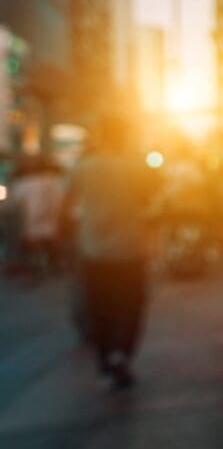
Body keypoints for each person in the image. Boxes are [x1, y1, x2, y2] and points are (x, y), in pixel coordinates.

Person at [65, 116, 153, 388]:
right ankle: (120, 353)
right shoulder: (136, 167)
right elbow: (149, 201)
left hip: (94, 250)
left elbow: (67, 203)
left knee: (99, 307)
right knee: (131, 305)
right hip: (129, 249)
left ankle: (105, 357)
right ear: (125, 136)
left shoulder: (83, 167)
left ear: (100, 135)